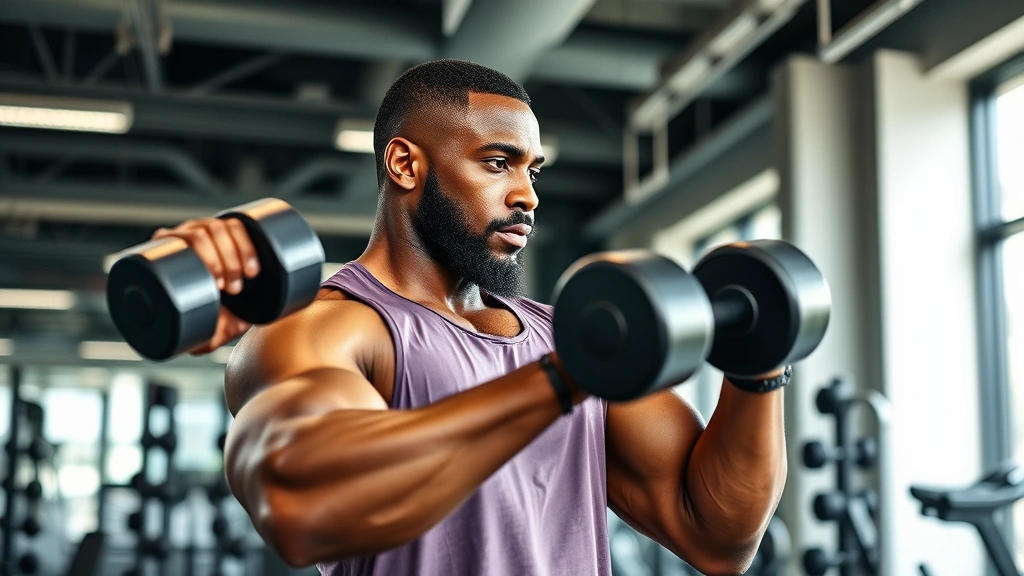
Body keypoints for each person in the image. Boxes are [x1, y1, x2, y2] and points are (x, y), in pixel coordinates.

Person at [153, 59, 788, 576]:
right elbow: (305, 507)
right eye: (497, 163)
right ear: (405, 165)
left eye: (532, 169)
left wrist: (757, 366)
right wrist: (564, 379)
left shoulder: (561, 336)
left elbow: (717, 536)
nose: (528, 195)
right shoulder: (328, 328)